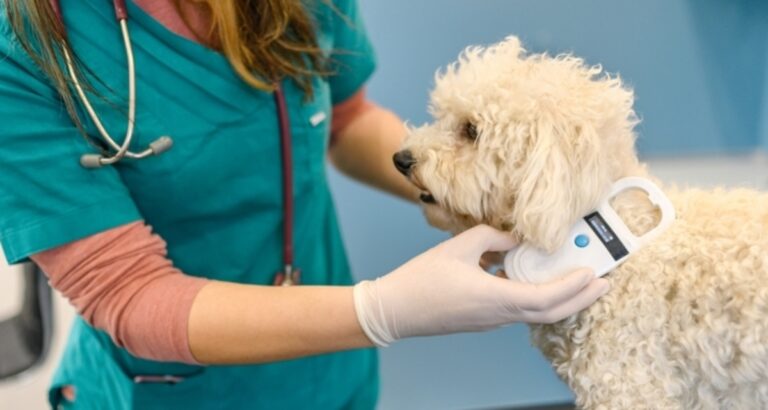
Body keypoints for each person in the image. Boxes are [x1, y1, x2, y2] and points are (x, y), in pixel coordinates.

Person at [0, 0, 610, 408]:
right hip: (174, 390)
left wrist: (473, 188)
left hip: (330, 375)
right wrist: (382, 310)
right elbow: (127, 292)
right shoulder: (23, 48)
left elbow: (346, 118)